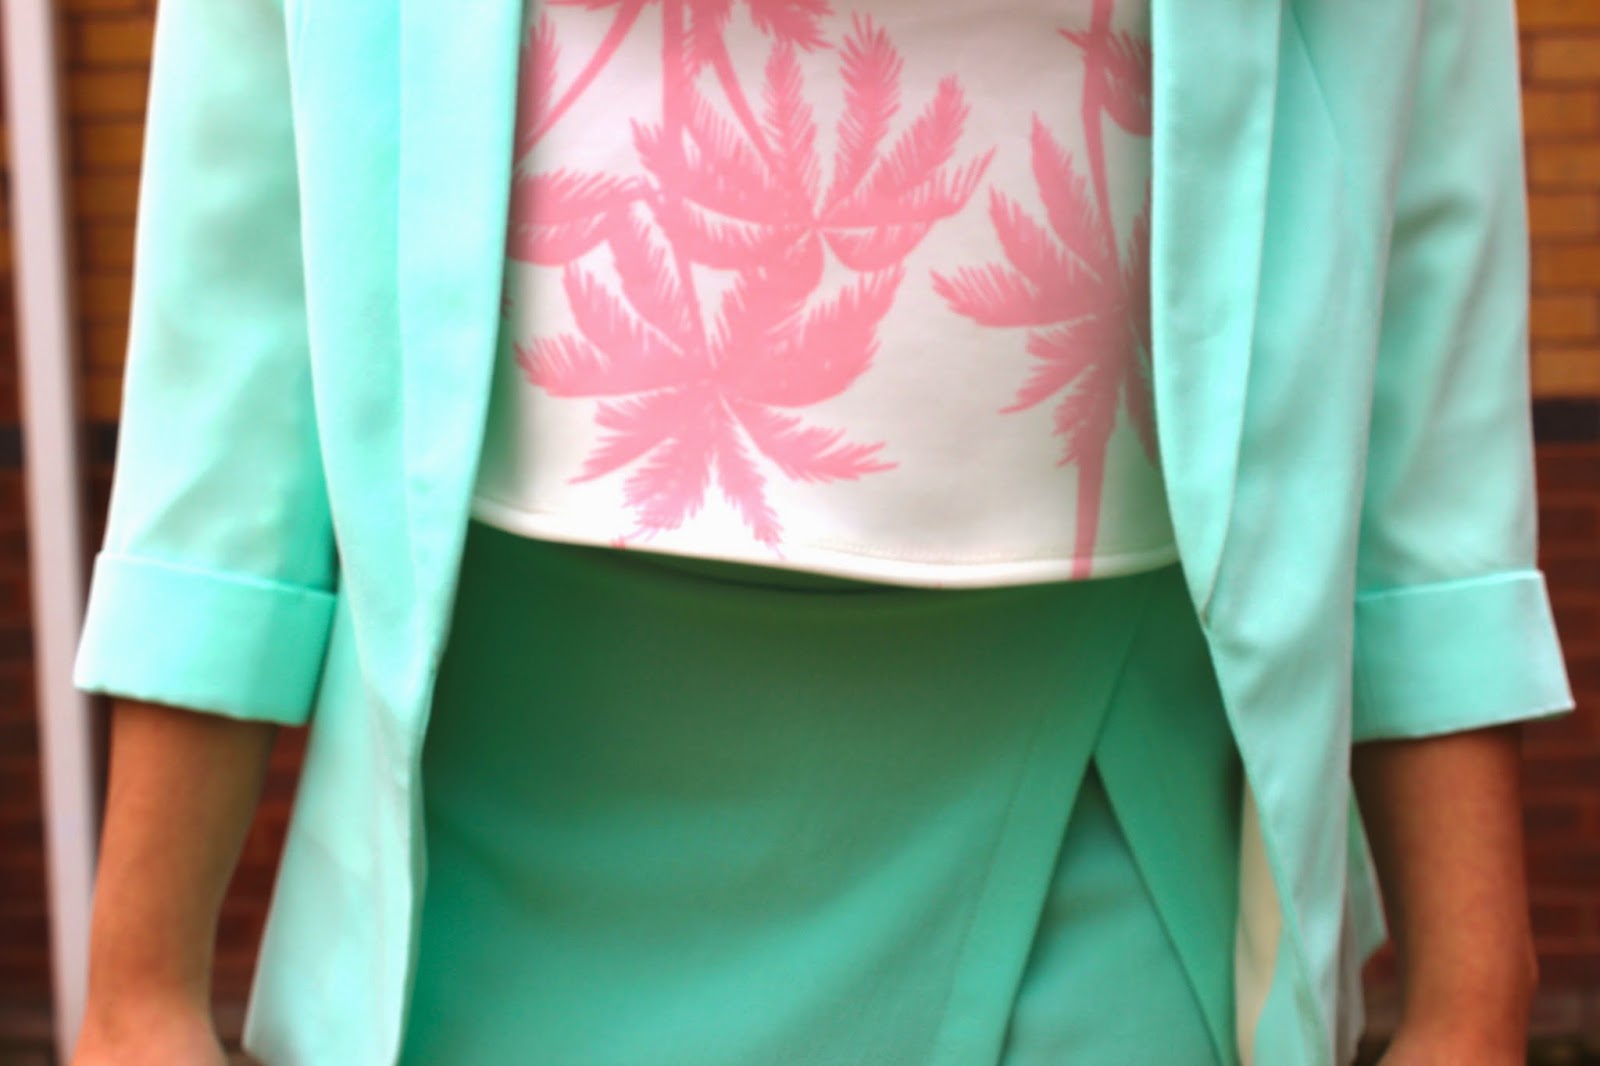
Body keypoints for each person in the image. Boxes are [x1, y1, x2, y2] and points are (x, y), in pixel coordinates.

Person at [67, 0, 1575, 1064]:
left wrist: (1471, 987)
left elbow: (1411, 190)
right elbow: (244, 231)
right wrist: (138, 983)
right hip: (496, 811)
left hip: (1101, 790)